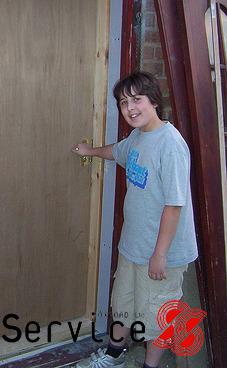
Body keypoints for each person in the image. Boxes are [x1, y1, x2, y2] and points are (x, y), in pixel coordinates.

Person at [72, 71, 198, 368]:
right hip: (134, 246)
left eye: (136, 100)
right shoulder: (139, 137)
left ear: (154, 101)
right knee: (124, 305)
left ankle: (150, 366)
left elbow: (174, 205)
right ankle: (114, 355)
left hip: (162, 253)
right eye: (123, 102)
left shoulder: (171, 145)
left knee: (157, 314)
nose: (130, 108)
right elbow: (118, 152)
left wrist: (160, 255)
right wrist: (90, 151)